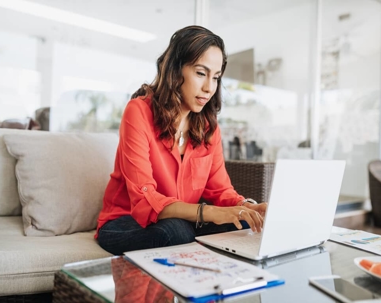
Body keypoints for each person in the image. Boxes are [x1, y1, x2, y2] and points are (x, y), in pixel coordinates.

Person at [95, 25, 267, 255]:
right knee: (177, 232)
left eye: (215, 77)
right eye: (200, 73)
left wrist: (248, 207)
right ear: (176, 70)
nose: (209, 88)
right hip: (125, 222)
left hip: (184, 221)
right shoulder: (138, 112)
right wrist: (209, 213)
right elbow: (145, 198)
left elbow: (221, 191)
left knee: (245, 223)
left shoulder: (209, 128)